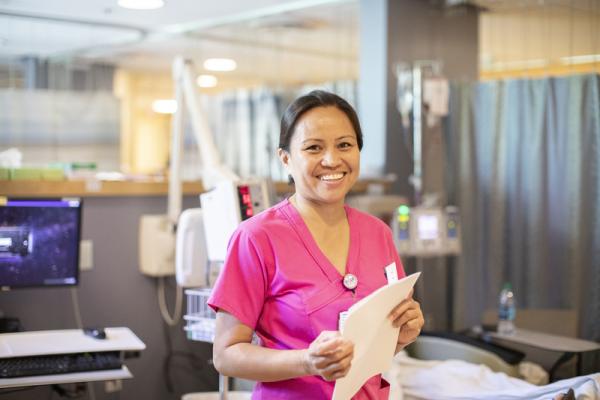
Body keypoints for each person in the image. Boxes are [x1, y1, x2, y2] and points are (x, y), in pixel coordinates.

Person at [208, 90, 424, 399]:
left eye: (345, 145)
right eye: (313, 148)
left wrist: (402, 334)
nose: (332, 160)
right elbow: (226, 355)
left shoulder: (378, 234)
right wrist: (307, 361)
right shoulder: (256, 238)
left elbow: (376, 344)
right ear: (286, 159)